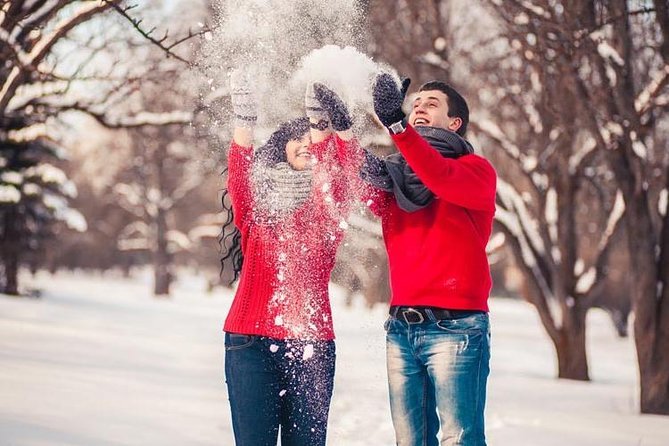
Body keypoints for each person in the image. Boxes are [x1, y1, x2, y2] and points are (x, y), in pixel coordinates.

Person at [220, 69, 361, 446]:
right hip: (248, 344)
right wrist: (244, 122)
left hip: (311, 347)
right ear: (281, 146)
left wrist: (324, 128)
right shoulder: (258, 208)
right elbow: (238, 175)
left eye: (309, 138)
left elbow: (341, 175)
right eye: (295, 137)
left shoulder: (327, 208)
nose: (303, 144)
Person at [363, 73, 497, 446]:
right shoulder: (397, 180)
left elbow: (438, 177)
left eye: (431, 104)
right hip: (401, 330)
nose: (419, 107)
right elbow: (356, 185)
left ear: (455, 123)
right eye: (415, 104)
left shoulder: (476, 172)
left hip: (457, 330)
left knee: (460, 439)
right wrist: (336, 133)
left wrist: (397, 127)